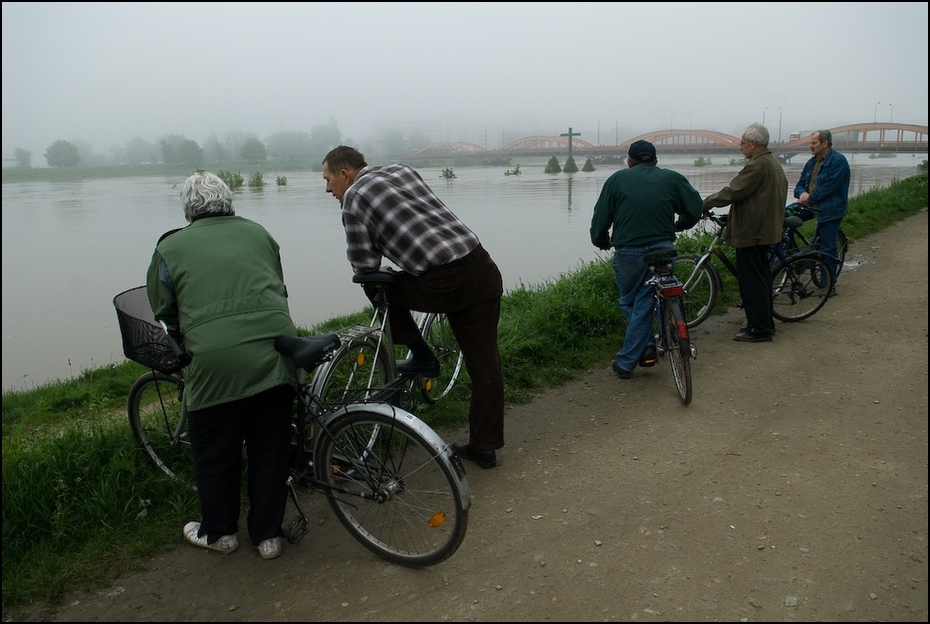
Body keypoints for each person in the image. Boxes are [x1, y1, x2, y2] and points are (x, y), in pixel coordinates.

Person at [321, 146, 505, 470]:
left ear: (345, 174)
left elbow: (364, 264)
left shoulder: (353, 197)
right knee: (485, 366)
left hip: (444, 280)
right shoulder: (401, 169)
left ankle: (422, 356)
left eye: (328, 179)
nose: (327, 189)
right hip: (481, 266)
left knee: (375, 284)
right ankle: (484, 446)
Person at [146, 172, 298, 560]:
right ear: (229, 202)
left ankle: (220, 534)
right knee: (270, 449)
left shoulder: (171, 247)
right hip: (277, 350)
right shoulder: (260, 233)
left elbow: (164, 310)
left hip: (215, 362)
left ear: (188, 211)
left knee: (215, 451)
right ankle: (268, 538)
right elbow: (277, 285)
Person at [590, 139, 703, 379]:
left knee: (632, 302)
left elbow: (600, 220)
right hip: (664, 249)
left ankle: (628, 360)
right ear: (655, 161)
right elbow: (694, 208)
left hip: (630, 252)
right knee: (645, 299)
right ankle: (648, 342)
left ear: (629, 161)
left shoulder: (616, 180)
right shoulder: (672, 178)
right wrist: (679, 225)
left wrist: (602, 241)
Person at [703, 123, 788, 342]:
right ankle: (765, 323)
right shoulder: (773, 164)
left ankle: (758, 329)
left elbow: (734, 191)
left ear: (753, 143)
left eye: (742, 143)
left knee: (751, 282)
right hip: (765, 230)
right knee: (761, 279)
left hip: (753, 232)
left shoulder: (757, 166)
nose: (740, 147)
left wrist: (705, 203)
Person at [792, 129, 851, 295]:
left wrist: (809, 198)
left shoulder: (838, 161)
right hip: (809, 202)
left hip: (830, 207)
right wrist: (801, 193)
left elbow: (829, 188)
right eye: (810, 143)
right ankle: (798, 259)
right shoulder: (811, 162)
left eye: (813, 143)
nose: (810, 146)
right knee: (784, 218)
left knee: (827, 246)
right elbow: (800, 183)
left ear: (825, 143)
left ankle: (828, 284)